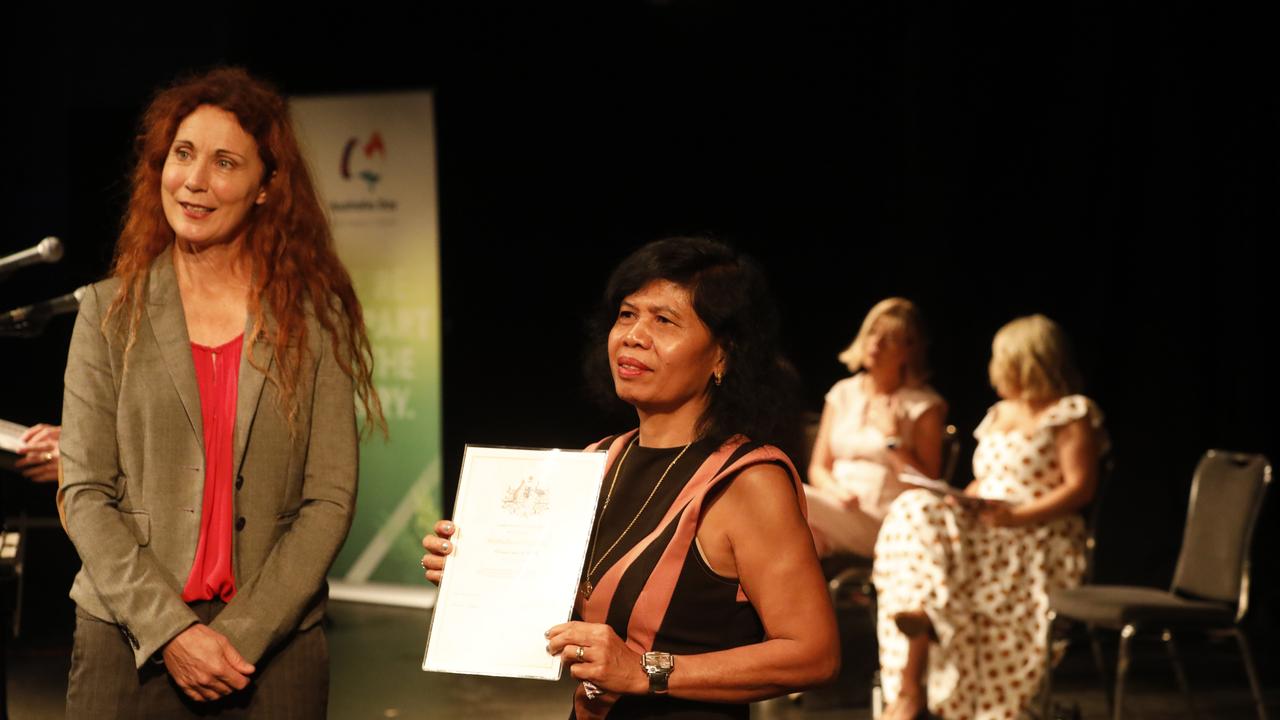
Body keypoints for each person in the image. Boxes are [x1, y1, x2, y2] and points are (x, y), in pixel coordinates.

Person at [58, 67, 382, 717]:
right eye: (183, 154)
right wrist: (172, 632)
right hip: (129, 637)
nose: (195, 180)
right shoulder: (106, 313)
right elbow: (85, 493)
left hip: (273, 647)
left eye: (226, 162)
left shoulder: (314, 323)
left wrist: (241, 634)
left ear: (265, 187)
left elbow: (329, 498)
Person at [423, 237, 839, 719]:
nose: (634, 335)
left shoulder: (745, 480)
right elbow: (564, 619)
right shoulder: (597, 462)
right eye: (627, 314)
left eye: (664, 321)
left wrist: (646, 671)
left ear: (723, 356)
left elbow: (814, 654)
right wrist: (476, 575)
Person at [873, 314, 1107, 720]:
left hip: (1038, 534)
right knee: (915, 507)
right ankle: (917, 631)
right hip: (987, 529)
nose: (993, 369)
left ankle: (917, 662)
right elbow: (985, 480)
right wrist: (963, 500)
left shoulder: (1070, 412)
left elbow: (1080, 488)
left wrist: (1019, 517)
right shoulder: (999, 414)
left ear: (1025, 361)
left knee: (924, 530)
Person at [805, 298, 947, 557]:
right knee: (794, 539)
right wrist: (836, 491)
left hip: (885, 523)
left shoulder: (924, 406)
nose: (876, 344)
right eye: (873, 333)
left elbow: (926, 486)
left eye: (889, 338)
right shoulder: (842, 393)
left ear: (908, 351)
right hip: (834, 508)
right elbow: (818, 467)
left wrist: (893, 439)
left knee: (787, 494)